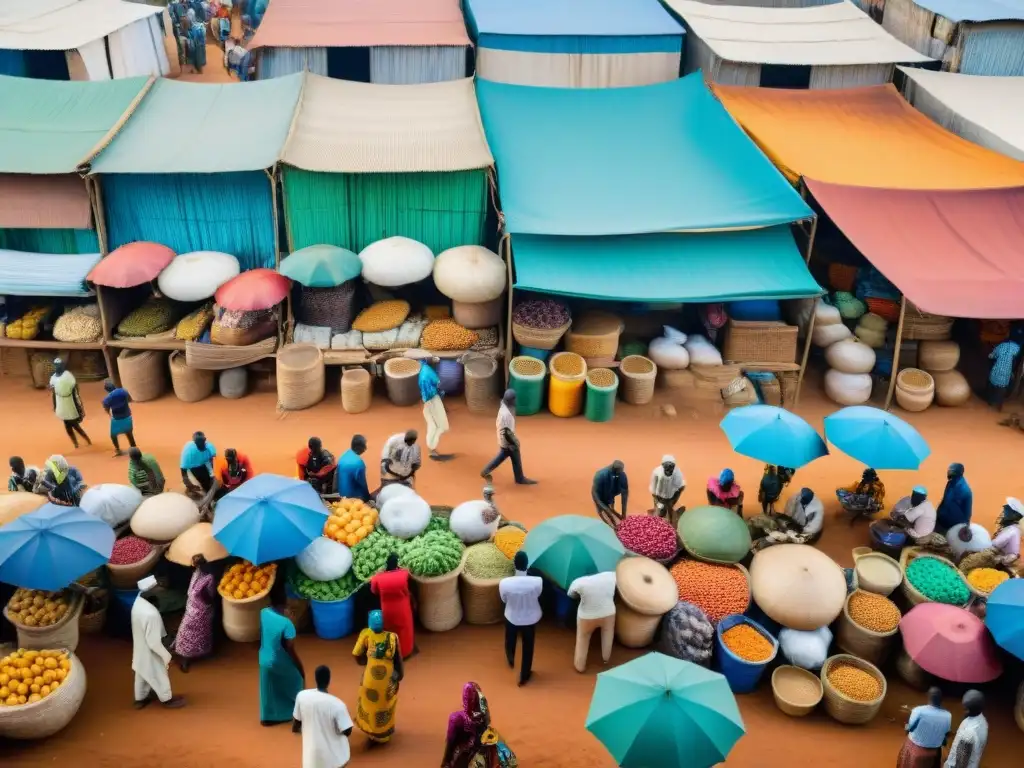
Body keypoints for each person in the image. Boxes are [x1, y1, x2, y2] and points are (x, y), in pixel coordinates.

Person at [132, 576, 185, 709]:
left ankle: (140, 699)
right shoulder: (151, 614)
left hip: (139, 648)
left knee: (142, 673)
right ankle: (167, 699)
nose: (162, 590)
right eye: (158, 588)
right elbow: (154, 643)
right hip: (150, 651)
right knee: (159, 674)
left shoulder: (138, 602)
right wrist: (166, 656)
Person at [352, 609, 404, 745]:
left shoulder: (366, 634)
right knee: (386, 704)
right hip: (387, 680)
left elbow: (356, 654)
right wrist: (399, 676)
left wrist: (366, 662)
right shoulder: (393, 637)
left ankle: (371, 733)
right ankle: (384, 734)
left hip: (370, 679)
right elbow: (398, 659)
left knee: (369, 705)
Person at [441, 682, 518, 768]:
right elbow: (487, 723)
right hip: (482, 748)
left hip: (470, 753)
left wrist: (446, 762)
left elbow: (451, 743)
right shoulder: (483, 713)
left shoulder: (456, 718)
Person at [292, 665, 354, 768]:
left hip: (310, 762)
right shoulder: (338, 705)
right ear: (329, 680)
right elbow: (347, 731)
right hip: (335, 762)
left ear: (315, 678)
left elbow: (295, 726)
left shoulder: (301, 696)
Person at [498, 551, 542, 687]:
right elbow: (537, 595)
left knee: (510, 639)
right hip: (530, 618)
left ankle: (510, 658)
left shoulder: (504, 583)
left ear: (514, 564)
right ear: (527, 564)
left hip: (512, 617)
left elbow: (504, 599)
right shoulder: (537, 582)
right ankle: (524, 675)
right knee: (528, 647)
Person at [259, 601, 305, 726]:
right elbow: (291, 651)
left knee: (269, 687)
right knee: (297, 680)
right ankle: (294, 712)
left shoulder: (265, 613)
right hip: (277, 661)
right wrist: (300, 669)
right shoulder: (287, 625)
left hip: (263, 657)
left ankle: (266, 717)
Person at [172, 554, 217, 673]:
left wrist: (203, 600)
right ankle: (186, 656)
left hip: (201, 609)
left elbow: (208, 595)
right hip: (193, 606)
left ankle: (189, 656)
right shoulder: (198, 572)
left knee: (197, 632)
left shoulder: (209, 577)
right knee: (189, 631)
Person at [481, 390, 536, 486]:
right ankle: (520, 479)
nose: (515, 401)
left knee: (502, 456)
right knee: (514, 456)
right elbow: (506, 432)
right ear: (511, 400)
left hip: (505, 440)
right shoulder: (506, 415)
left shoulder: (504, 406)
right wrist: (513, 443)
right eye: (514, 399)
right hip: (507, 441)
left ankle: (486, 470)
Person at [566, 571, 616, 673]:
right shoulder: (612, 575)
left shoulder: (578, 582)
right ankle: (605, 659)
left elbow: (571, 595)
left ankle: (580, 666)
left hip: (586, 616)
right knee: (608, 635)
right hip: (608, 612)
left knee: (583, 639)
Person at [370, 553, 416, 659]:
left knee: (390, 631)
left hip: (387, 609)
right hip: (402, 609)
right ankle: (405, 652)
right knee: (405, 630)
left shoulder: (378, 578)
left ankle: (392, 652)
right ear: (397, 564)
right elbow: (407, 585)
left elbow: (373, 591)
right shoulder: (404, 574)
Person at [959, 498, 1022, 573]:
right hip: (994, 554)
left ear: (1014, 515)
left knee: (965, 565)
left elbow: (995, 546)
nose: (1003, 512)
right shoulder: (1009, 528)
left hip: (997, 558)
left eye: (1006, 509)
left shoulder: (1011, 531)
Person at [898, 686, 951, 768]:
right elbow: (946, 734)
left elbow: (910, 727)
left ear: (928, 697)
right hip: (934, 751)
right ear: (941, 700)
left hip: (915, 748)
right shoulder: (948, 715)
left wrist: (906, 727)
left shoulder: (918, 710)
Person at [49, 358, 91, 449]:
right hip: (61, 404)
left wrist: (78, 404)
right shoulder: (53, 378)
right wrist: (55, 405)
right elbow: (53, 393)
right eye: (56, 365)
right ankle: (76, 443)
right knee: (67, 425)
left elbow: (75, 389)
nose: (58, 367)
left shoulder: (68, 375)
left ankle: (87, 440)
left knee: (74, 424)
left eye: (59, 365)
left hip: (70, 403)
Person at [420, 357, 453, 462]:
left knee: (434, 425)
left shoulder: (423, 369)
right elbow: (437, 382)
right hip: (432, 401)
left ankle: (432, 448)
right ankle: (432, 449)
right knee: (440, 426)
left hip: (428, 402)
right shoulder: (427, 372)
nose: (434, 359)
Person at [945, 690, 988, 768]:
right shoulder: (983, 721)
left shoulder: (967, 735)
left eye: (964, 707)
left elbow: (961, 763)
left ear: (968, 710)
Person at [101, 379, 136, 457]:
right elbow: (130, 399)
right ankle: (134, 448)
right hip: (127, 415)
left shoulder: (107, 399)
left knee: (113, 435)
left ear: (106, 389)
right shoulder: (123, 391)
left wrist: (109, 413)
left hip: (117, 418)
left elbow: (106, 408)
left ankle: (118, 450)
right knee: (129, 433)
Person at [936, 464, 972, 534]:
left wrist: (966, 526)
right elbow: (945, 499)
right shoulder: (950, 483)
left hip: (954, 526)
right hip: (941, 521)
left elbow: (967, 511)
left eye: (952, 472)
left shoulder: (965, 490)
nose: (949, 474)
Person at [649, 455, 685, 525]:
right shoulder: (656, 473)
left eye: (671, 468)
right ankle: (659, 518)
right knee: (660, 511)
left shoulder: (678, 474)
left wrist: (673, 498)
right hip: (659, 495)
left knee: (669, 507)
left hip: (672, 495)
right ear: (663, 466)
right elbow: (653, 489)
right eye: (667, 469)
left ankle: (671, 520)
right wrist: (658, 501)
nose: (669, 470)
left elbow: (679, 486)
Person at [592, 460, 628, 526]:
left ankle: (611, 515)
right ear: (614, 470)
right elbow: (595, 495)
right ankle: (609, 524)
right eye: (618, 473)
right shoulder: (600, 476)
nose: (620, 474)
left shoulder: (621, 474)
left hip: (610, 496)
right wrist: (605, 509)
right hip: (600, 498)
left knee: (611, 511)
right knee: (606, 516)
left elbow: (625, 493)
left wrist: (623, 514)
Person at [986, 338, 1020, 409]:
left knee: (992, 383)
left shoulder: (1000, 346)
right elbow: (1016, 359)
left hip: (997, 368)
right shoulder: (1017, 347)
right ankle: (999, 403)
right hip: (1007, 370)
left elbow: (992, 356)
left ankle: (991, 401)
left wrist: (990, 355)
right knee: (1003, 386)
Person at [336, 435, 370, 501]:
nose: (365, 449)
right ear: (359, 447)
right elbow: (363, 485)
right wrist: (368, 498)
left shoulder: (344, 456)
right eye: (364, 446)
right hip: (353, 500)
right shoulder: (359, 463)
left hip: (341, 497)